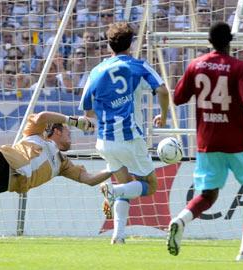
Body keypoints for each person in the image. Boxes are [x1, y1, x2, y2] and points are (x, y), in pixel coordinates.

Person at [167, 22, 243, 261]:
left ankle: (181, 219)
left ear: (209, 41)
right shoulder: (239, 68)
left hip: (207, 143)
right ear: (229, 41)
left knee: (208, 194)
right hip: (237, 141)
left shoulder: (195, 65)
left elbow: (179, 98)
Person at [79, 22, 170, 244]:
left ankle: (118, 236)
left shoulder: (96, 71)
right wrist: (164, 116)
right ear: (132, 43)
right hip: (130, 138)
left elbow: (86, 107)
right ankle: (112, 191)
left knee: (125, 185)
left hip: (105, 140)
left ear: (109, 45)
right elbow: (163, 90)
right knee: (150, 186)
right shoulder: (137, 66)